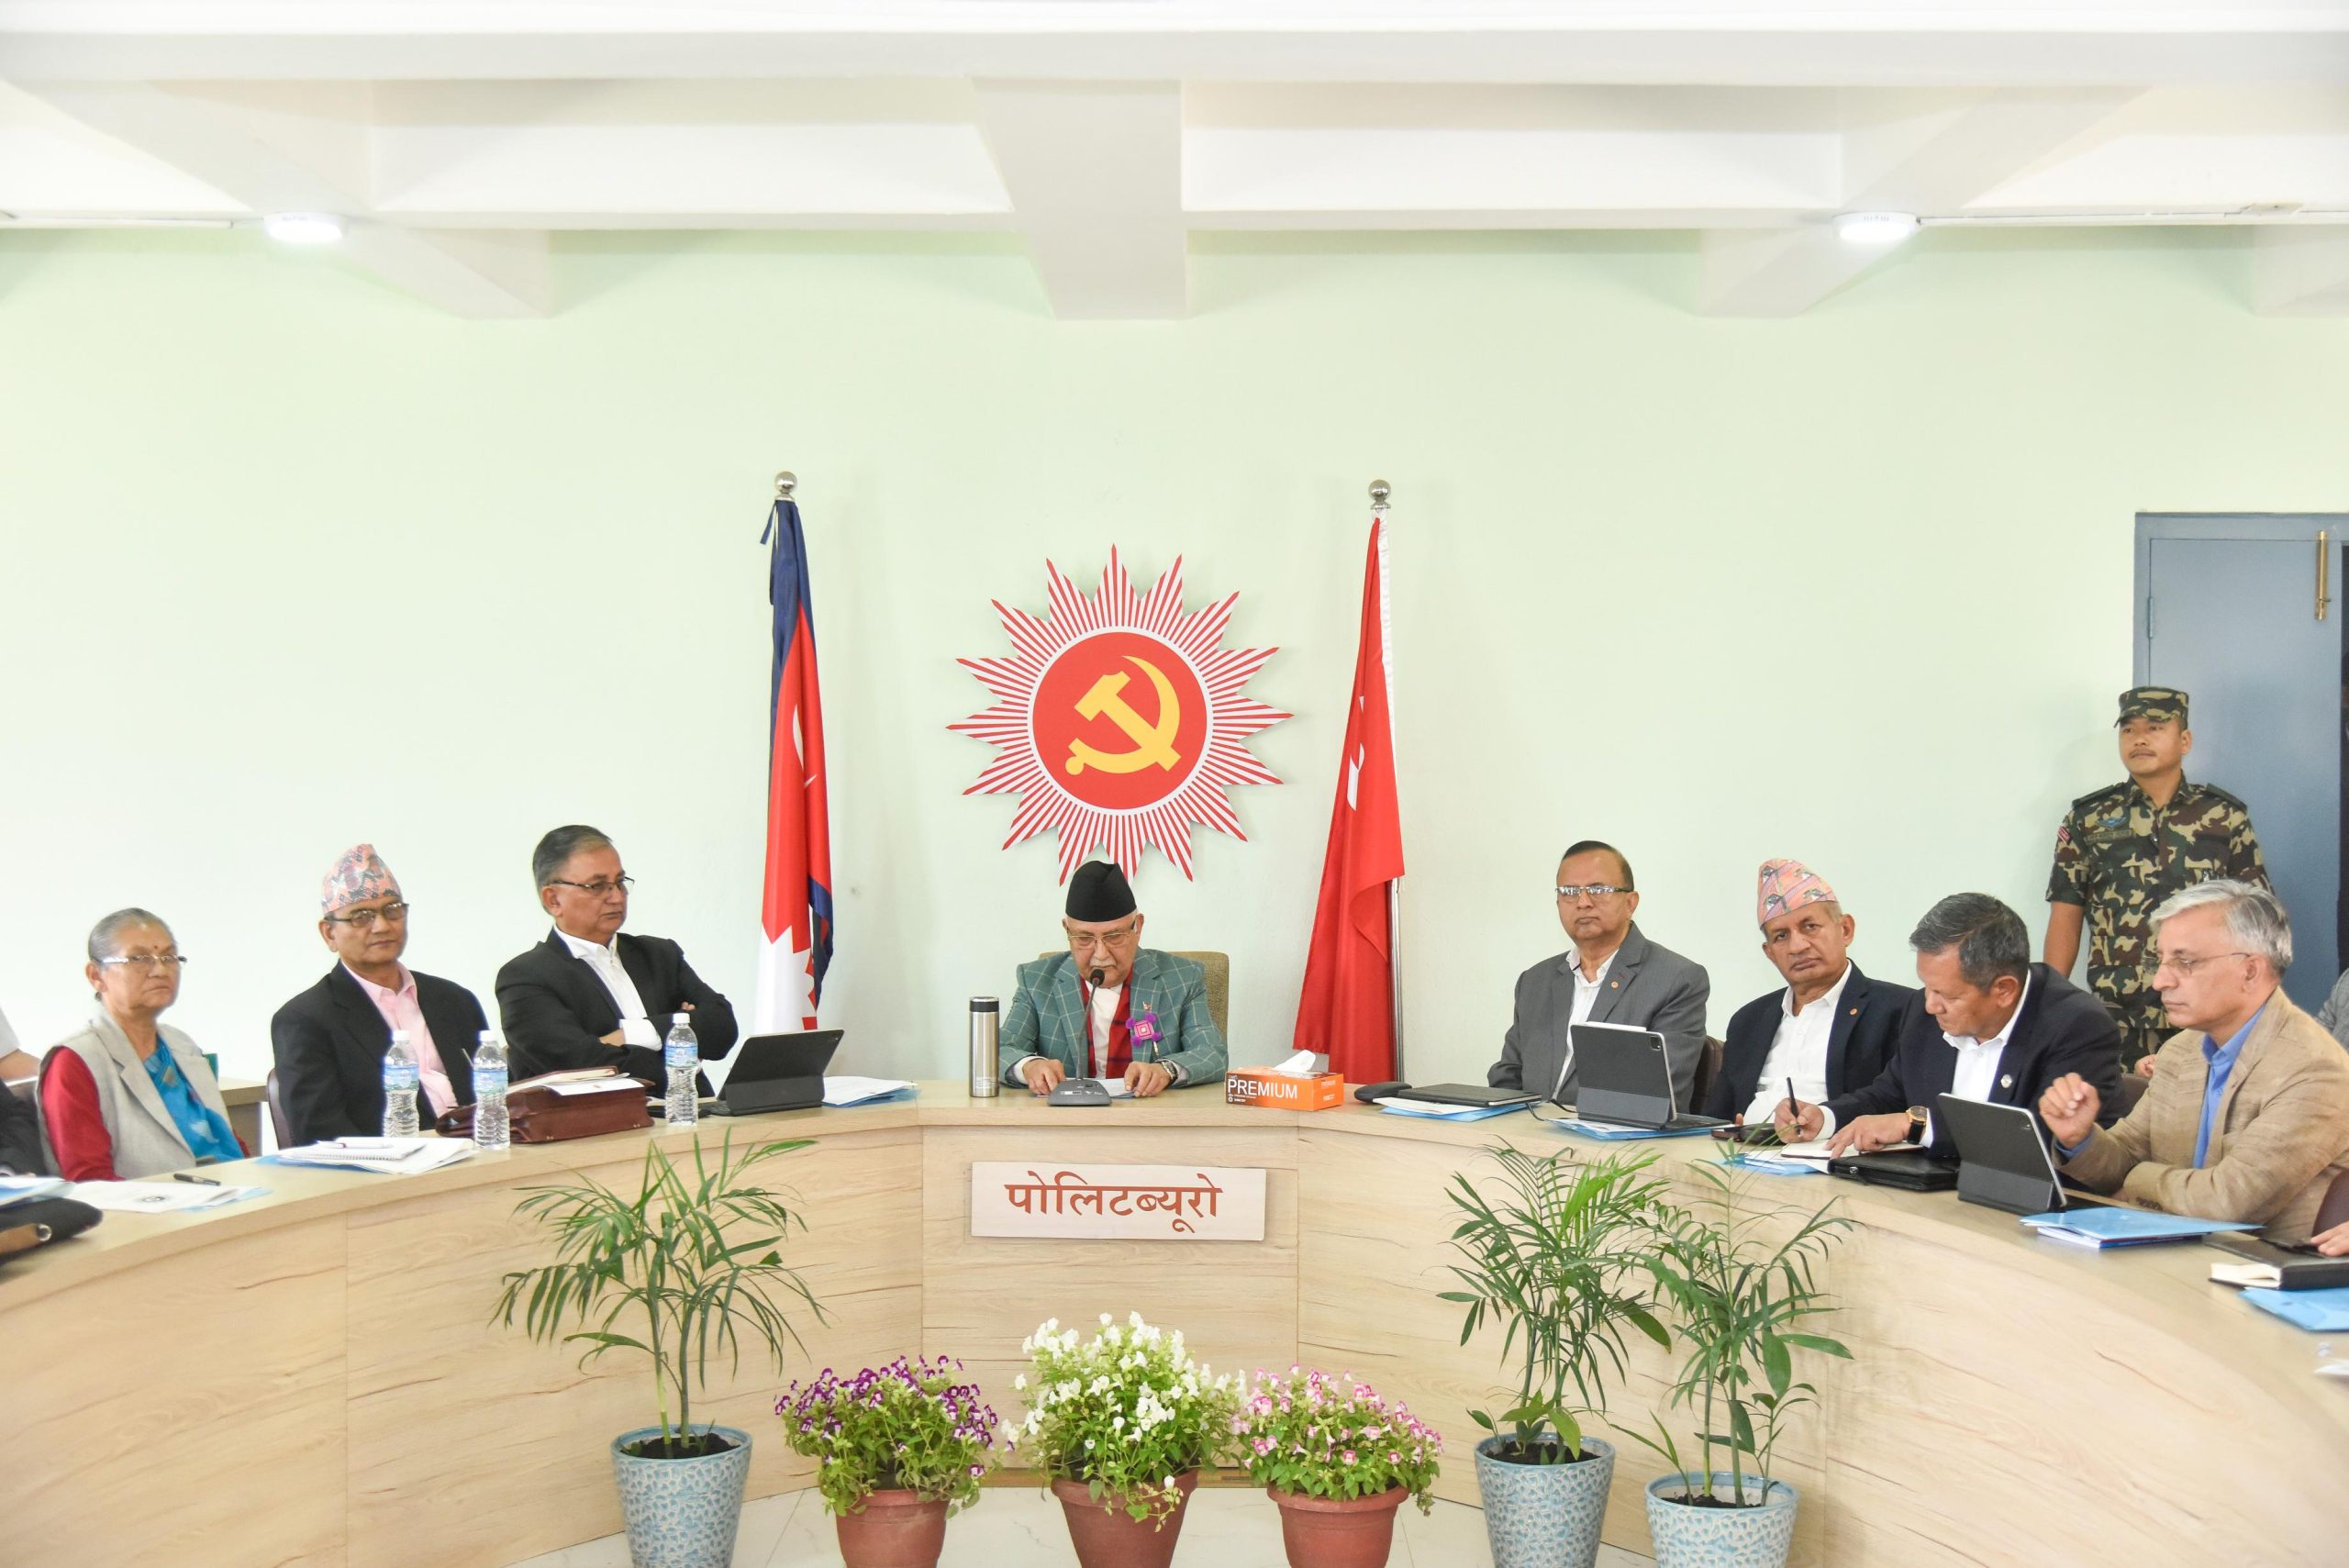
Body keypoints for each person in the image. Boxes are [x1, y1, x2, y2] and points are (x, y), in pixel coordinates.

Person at [2041, 881, 2349, 1243]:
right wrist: (2080, 1138)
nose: (2160, 981)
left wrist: (2137, 1182)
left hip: (2256, 1265)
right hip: (2168, 1252)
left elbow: (2229, 1202)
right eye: (2159, 960)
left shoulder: (2315, 1070)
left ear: (2250, 971)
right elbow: (2124, 1158)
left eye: (2184, 962)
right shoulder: (2181, 1051)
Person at [1776, 892, 2123, 1155]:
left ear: (2004, 990)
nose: (1930, 1005)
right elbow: (1889, 1093)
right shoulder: (1924, 1009)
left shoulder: (2077, 1026)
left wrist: (1916, 1126)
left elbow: (2039, 1140)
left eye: (1947, 995)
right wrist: (1825, 1117)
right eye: (1927, 987)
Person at [2045, 686, 2266, 1070]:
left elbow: (2256, 920)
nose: (2140, 739)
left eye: (2155, 728)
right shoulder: (2089, 819)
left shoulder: (2223, 818)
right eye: (2129, 729)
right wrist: (2049, 1002)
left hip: (2206, 1012)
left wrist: (2254, 1001)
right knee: (2120, 1106)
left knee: (2204, 1105)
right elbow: (2066, 914)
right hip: (2116, 1015)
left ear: (2185, 740)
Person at [271, 844, 486, 1144]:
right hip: (385, 1167)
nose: (382, 926)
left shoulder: (454, 1000)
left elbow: (499, 1096)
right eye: (361, 916)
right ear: (329, 933)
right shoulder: (305, 1020)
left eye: (392, 910)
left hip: (479, 1154)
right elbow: (320, 1130)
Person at [496, 825, 737, 1084]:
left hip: (694, 1107)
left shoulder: (658, 955)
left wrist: (633, 1034)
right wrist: (683, 1045)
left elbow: (722, 1027)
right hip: (602, 1111)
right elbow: (581, 1066)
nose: (616, 897)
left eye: (620, 883)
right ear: (553, 900)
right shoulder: (526, 977)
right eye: (597, 886)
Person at [1489, 840, 1709, 1109]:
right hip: (1527, 1132)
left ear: (1630, 903)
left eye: (1598, 889)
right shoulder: (1535, 981)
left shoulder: (1676, 979)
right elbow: (1507, 1077)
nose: (1583, 902)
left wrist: (1559, 1122)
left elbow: (1657, 1093)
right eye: (1569, 891)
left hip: (1618, 1135)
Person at [1701, 859, 1914, 1126]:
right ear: (1770, 953)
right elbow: (1714, 1119)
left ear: (1845, 930)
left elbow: (1897, 1102)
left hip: (1837, 1147)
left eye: (1809, 927)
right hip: (1745, 1148)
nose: (1798, 946)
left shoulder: (1899, 1009)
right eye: (1781, 936)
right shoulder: (1749, 1020)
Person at [39, 908, 244, 1181]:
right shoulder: (75, 1061)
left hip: (235, 1190)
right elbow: (91, 1181)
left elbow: (226, 1143)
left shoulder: (182, 1046)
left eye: (169, 957)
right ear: (96, 975)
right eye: (138, 958)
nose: (160, 970)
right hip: (157, 1204)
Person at [998, 861, 1228, 1097]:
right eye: (1084, 938)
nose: (1100, 954)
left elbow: (1213, 1053)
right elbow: (1000, 1049)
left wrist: (1165, 1070)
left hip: (1150, 1114)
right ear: (1067, 930)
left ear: (1138, 927)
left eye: (1114, 936)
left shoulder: (1182, 978)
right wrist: (1029, 1066)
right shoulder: (1036, 980)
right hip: (1067, 1116)